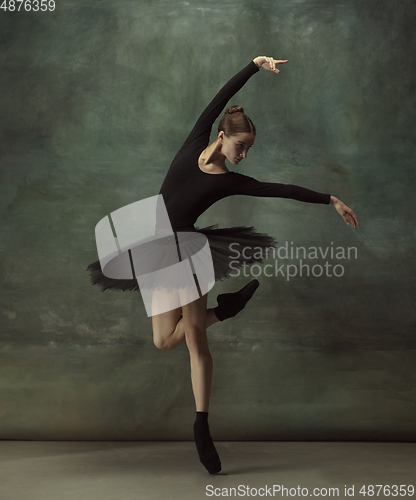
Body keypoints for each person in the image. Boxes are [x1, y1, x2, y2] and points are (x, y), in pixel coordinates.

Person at [87, 55, 360, 475]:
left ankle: (202, 428)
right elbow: (221, 96)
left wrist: (330, 199)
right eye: (240, 146)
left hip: (191, 252)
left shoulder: (230, 180)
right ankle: (226, 310)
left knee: (195, 339)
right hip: (157, 248)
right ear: (220, 135)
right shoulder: (195, 139)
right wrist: (253, 65)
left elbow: (279, 189)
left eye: (249, 149)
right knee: (163, 341)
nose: (244, 155)